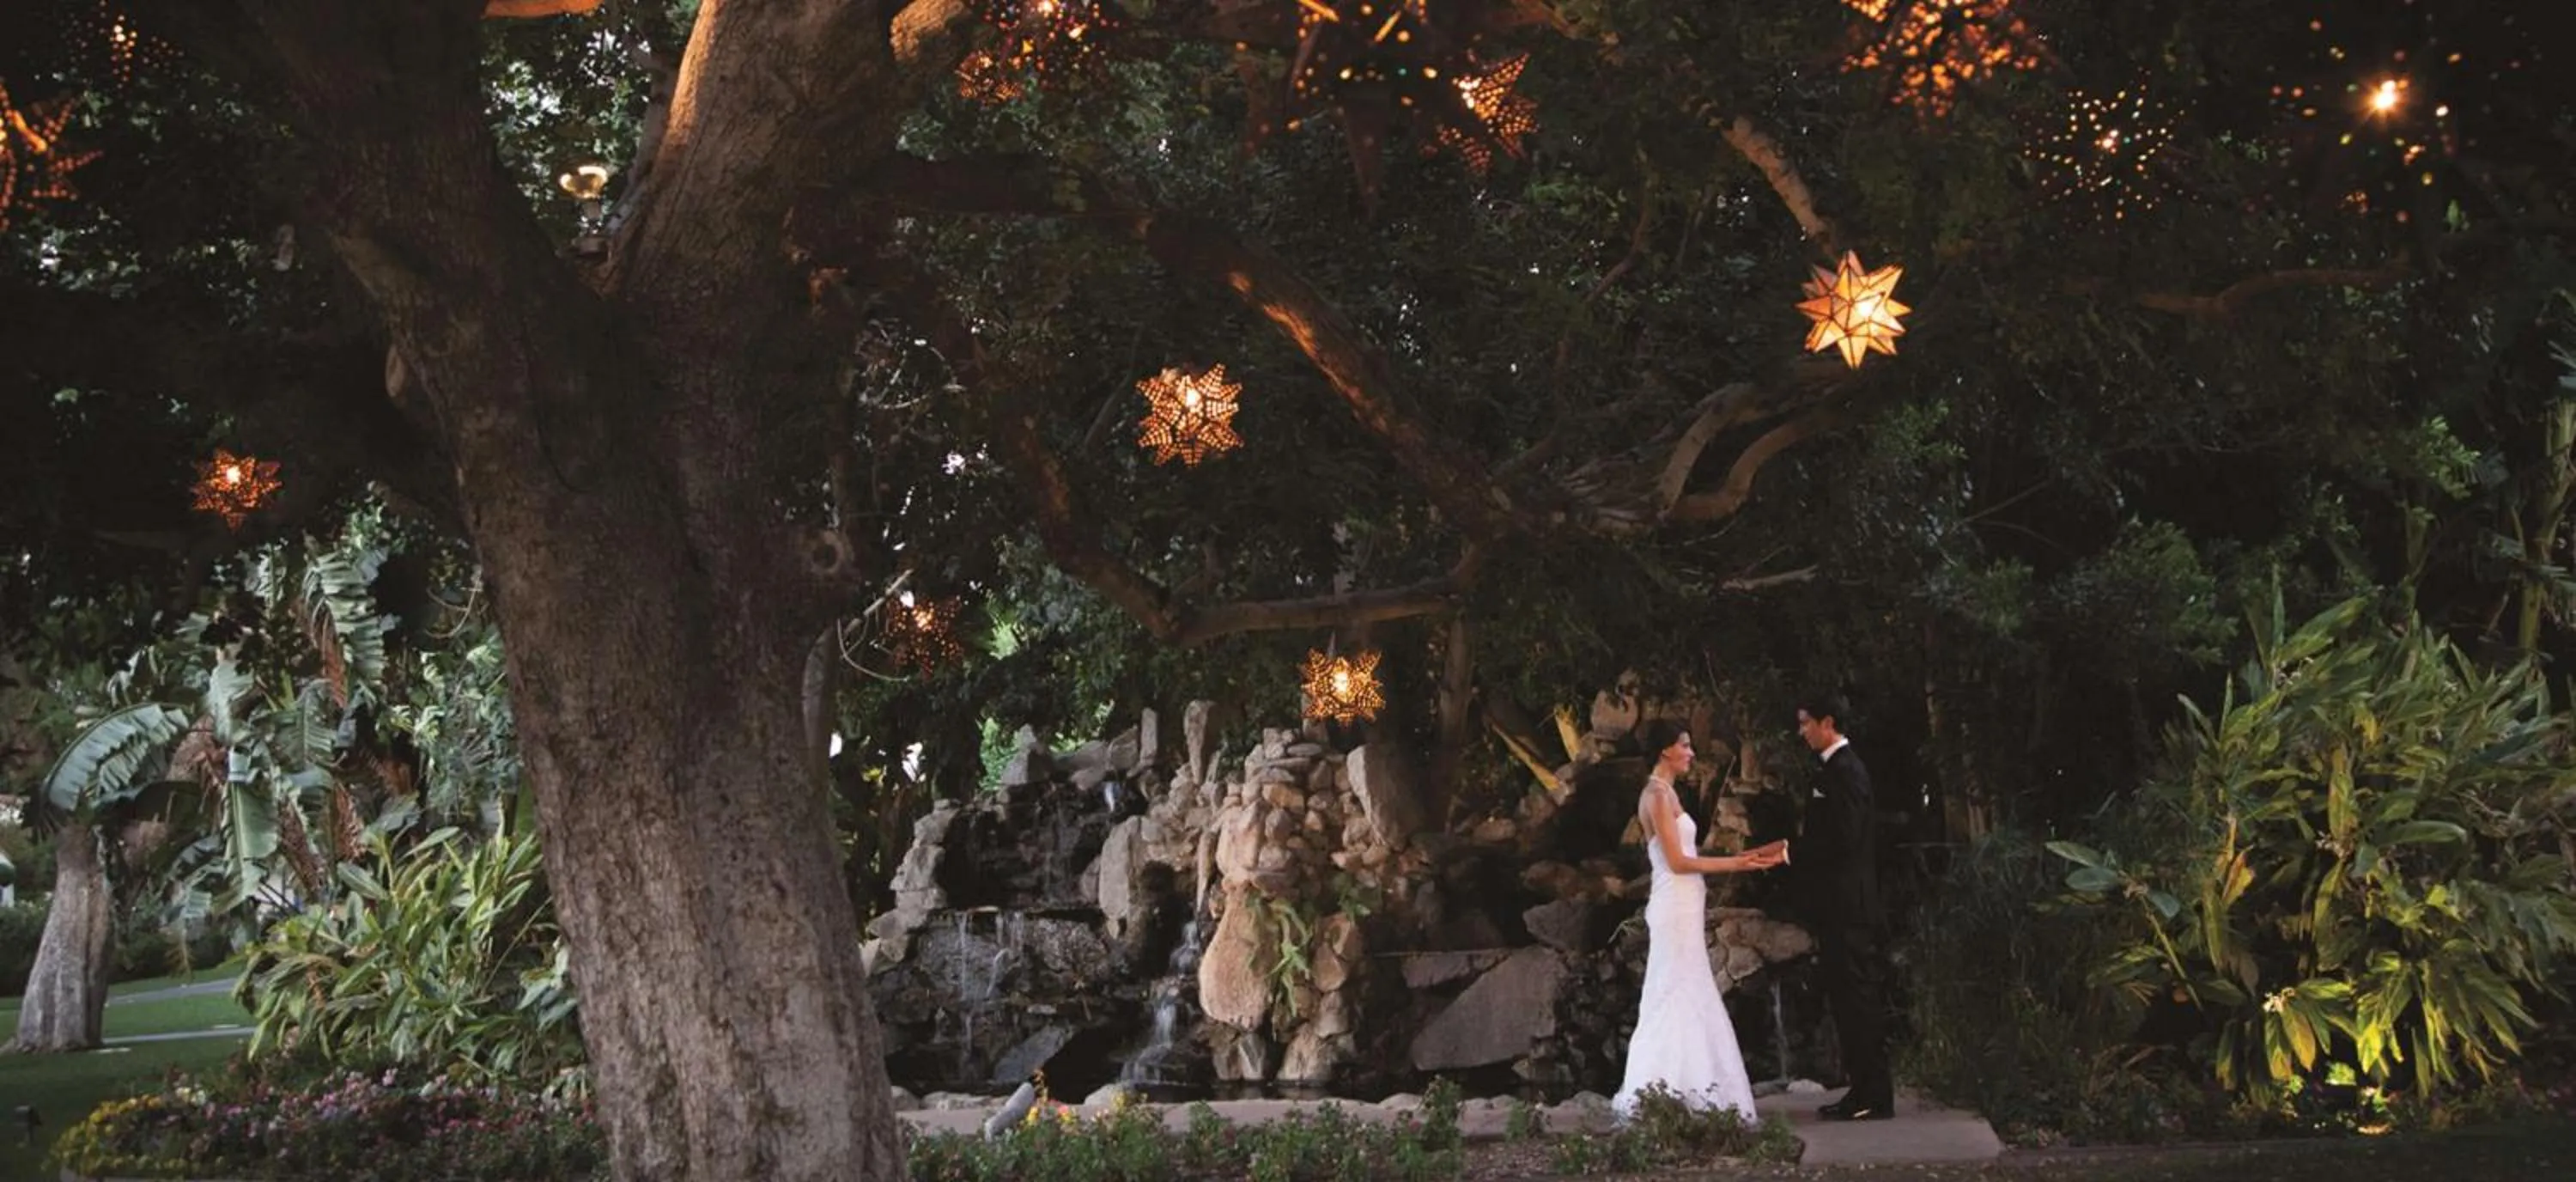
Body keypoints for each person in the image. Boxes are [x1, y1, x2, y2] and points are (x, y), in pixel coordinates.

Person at [1613, 719, 1785, 1122]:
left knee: (1691, 989)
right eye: (1685, 745)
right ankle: (1667, 1095)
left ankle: (1694, 1092)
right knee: (1674, 991)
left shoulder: (1668, 792)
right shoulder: (1656, 795)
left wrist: (1744, 858)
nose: (1691, 753)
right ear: (1665, 750)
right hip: (1673, 906)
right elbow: (1677, 862)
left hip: (1685, 905)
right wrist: (1737, 863)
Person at [1750, 693, 1893, 1121]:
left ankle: (1871, 1095)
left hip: (1848, 905)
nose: (1802, 732)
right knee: (1847, 996)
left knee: (1856, 997)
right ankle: (1865, 1090)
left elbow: (1844, 838)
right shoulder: (1834, 769)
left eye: (1805, 723)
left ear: (1827, 723)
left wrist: (1790, 853)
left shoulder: (1846, 771)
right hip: (1839, 905)